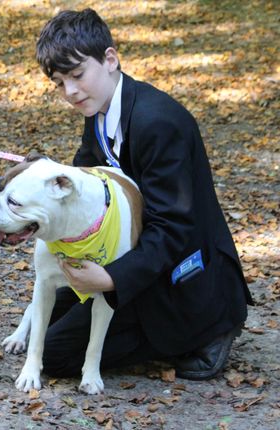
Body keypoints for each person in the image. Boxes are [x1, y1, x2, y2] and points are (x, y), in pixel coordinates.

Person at [35, 8, 253, 380]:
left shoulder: (159, 123)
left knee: (55, 355)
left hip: (182, 268)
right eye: (59, 83)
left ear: (110, 59)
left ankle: (209, 328)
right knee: (53, 310)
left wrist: (110, 279)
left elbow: (172, 227)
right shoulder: (100, 110)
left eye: (76, 75)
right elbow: (87, 181)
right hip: (135, 249)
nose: (69, 92)